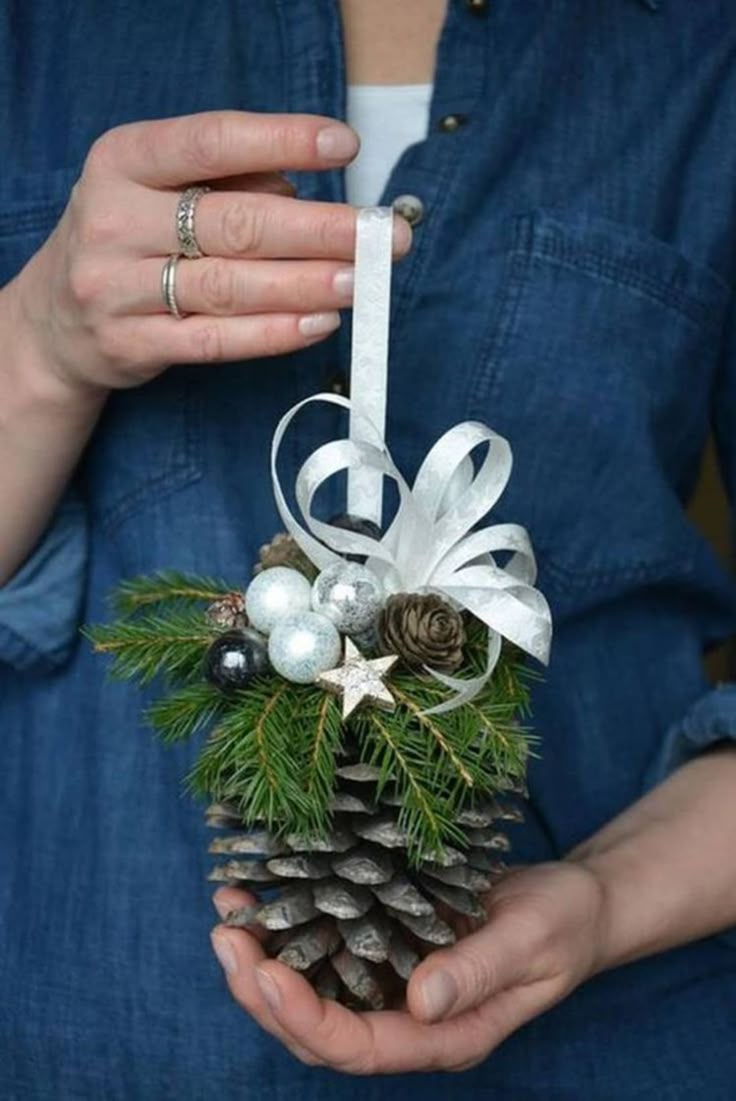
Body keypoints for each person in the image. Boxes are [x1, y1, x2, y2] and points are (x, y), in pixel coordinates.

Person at [2, 1, 736, 1096]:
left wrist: (605, 903)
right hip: (87, 1027)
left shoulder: (699, 49)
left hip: (611, 1048)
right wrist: (39, 349)